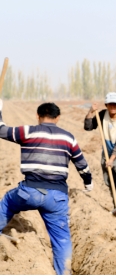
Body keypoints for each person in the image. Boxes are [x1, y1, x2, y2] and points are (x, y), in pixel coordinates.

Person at [0, 100, 93, 275]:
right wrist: (88, 182)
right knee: (62, 240)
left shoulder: (27, 132)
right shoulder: (68, 138)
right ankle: (63, 272)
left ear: (38, 116)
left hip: (29, 192)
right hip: (57, 198)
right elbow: (82, 165)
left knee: (7, 202)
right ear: (58, 118)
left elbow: (1, 130)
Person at [84, 92, 116, 218]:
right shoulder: (102, 115)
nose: (113, 107)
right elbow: (88, 127)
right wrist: (90, 112)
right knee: (109, 182)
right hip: (106, 154)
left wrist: (112, 159)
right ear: (106, 105)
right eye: (110, 104)